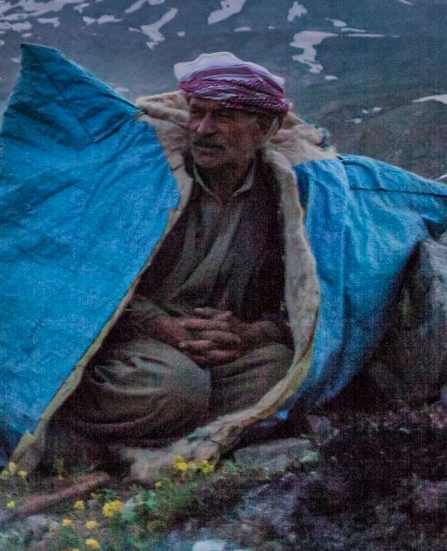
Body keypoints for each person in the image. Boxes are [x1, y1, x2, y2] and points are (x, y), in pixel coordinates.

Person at [51, 54, 295, 452]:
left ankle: (155, 440)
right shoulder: (152, 181)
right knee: (176, 387)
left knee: (277, 369)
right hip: (132, 344)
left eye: (224, 117)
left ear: (263, 128)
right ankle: (93, 433)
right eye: (197, 113)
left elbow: (297, 305)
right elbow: (91, 284)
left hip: (213, 348)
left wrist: (246, 335)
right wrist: (162, 327)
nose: (203, 129)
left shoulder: (281, 199)